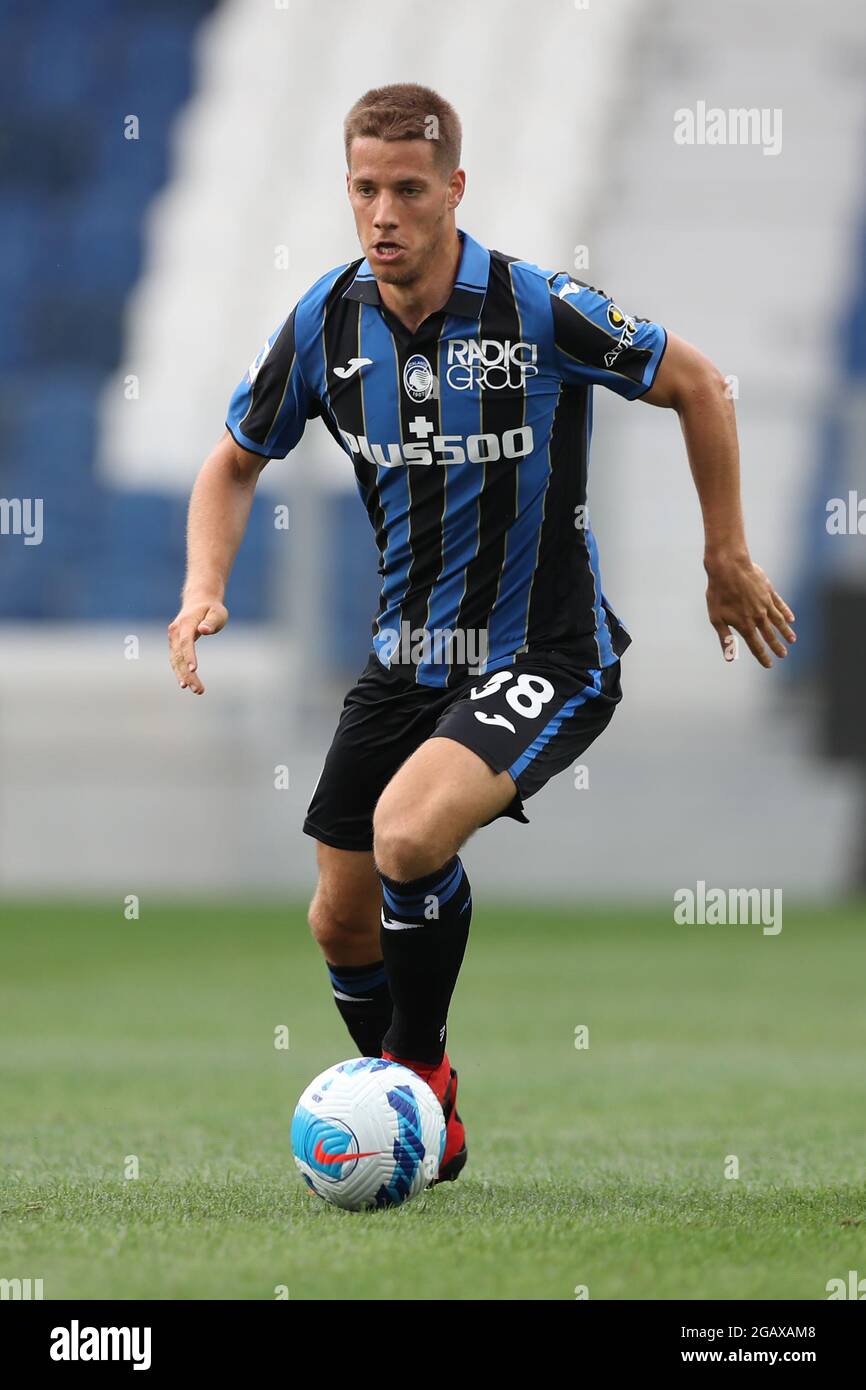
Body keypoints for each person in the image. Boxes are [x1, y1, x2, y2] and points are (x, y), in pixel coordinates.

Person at [168, 82, 796, 1186]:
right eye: (363, 189)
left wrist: (723, 554)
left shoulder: (536, 307)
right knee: (337, 919)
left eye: (407, 189)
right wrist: (201, 586)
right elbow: (232, 458)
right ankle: (427, 1108)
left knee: (409, 836)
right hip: (403, 658)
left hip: (545, 651)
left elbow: (698, 383)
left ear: (453, 188)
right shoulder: (325, 320)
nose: (382, 214)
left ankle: (404, 1085)